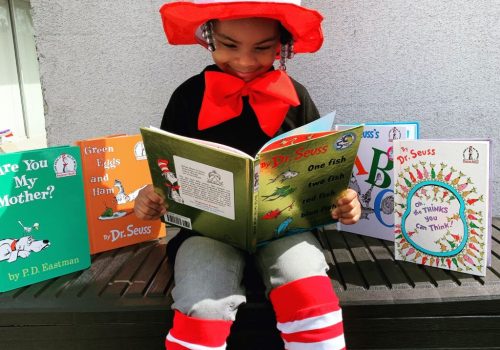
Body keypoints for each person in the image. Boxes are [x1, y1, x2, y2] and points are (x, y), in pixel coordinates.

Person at [134, 1, 362, 349]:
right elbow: (166, 172)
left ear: (282, 45)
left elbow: (322, 172)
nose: (244, 61)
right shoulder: (187, 97)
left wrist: (343, 200)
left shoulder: (296, 97)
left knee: (309, 291)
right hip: (206, 232)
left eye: (262, 48)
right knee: (201, 305)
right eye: (229, 45)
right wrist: (150, 198)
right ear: (209, 37)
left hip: (283, 229)